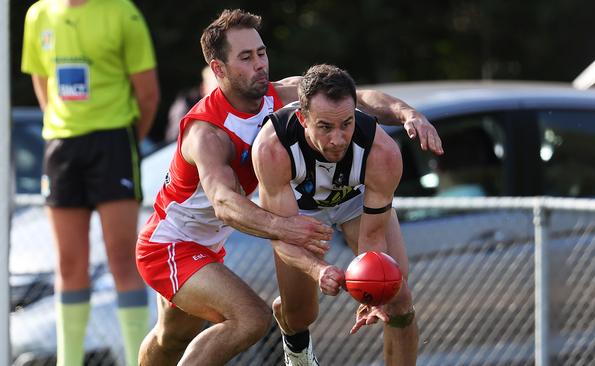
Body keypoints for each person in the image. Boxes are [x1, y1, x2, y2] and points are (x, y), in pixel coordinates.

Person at [135, 9, 441, 366]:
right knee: (250, 319)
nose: (260, 65)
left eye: (261, 53)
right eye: (246, 58)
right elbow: (223, 203)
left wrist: (407, 114)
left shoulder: (282, 95)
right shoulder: (207, 132)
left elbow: (359, 99)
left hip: (208, 245)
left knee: (170, 338)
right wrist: (284, 227)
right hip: (171, 245)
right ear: (218, 70)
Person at [20, 0, 159, 365]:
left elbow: (147, 94)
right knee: (68, 264)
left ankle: (136, 360)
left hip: (113, 141)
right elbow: (40, 79)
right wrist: (62, 127)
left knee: (122, 262)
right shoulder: (38, 14)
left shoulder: (121, 12)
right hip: (63, 147)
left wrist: (124, 140)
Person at [252, 64, 418, 365]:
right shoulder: (272, 147)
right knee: (301, 314)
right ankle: (290, 324)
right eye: (325, 127)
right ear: (303, 119)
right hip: (299, 213)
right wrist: (319, 271)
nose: (338, 139)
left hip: (355, 202)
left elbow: (374, 235)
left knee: (398, 298)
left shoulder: (382, 151)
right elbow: (280, 234)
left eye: (346, 124)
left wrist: (374, 289)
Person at [164, 66, 219, 142]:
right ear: (203, 89)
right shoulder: (185, 106)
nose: (222, 96)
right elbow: (175, 141)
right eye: (216, 90)